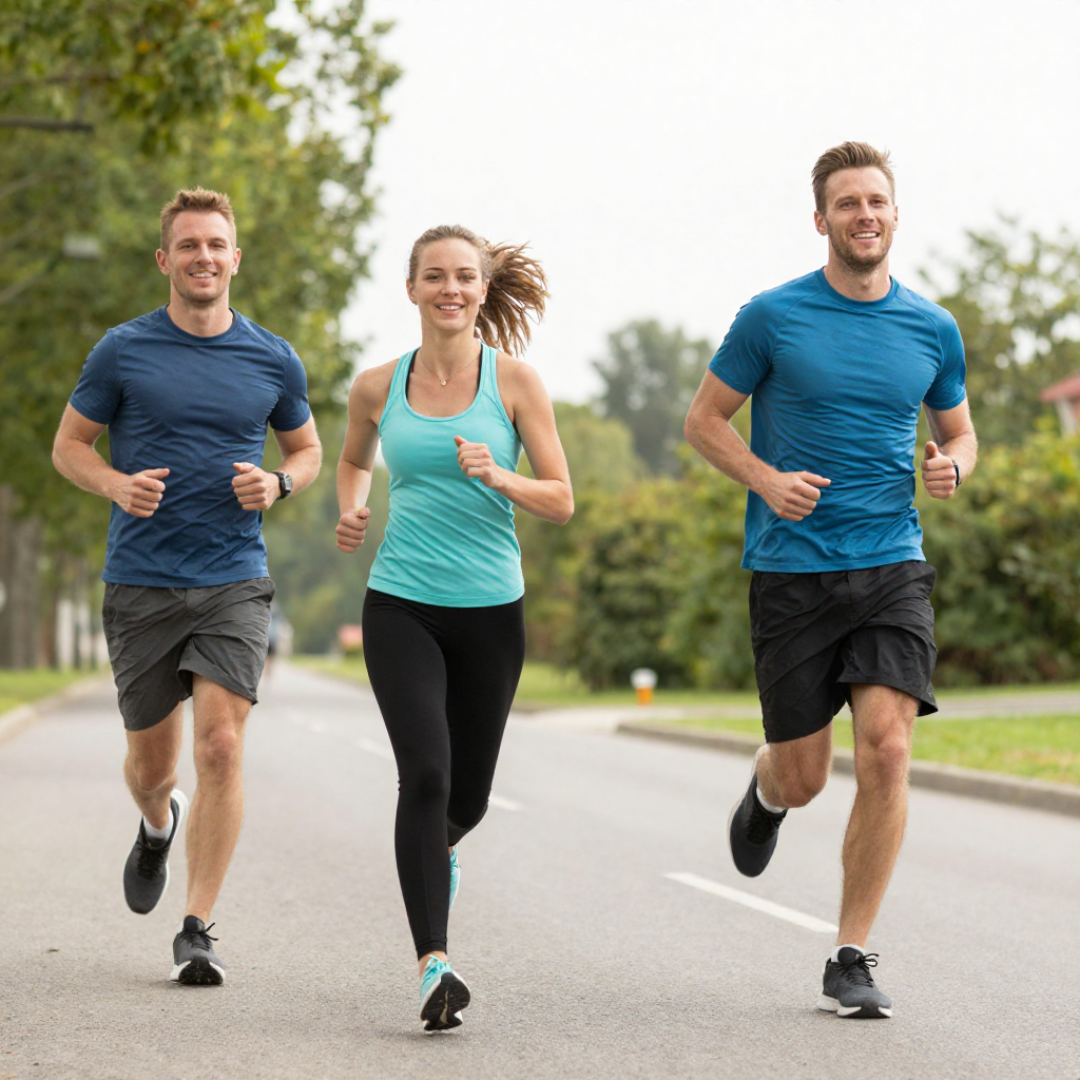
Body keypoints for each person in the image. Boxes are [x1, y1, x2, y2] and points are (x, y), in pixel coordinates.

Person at [684, 142, 977, 1019]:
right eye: (847, 203)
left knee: (888, 745)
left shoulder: (932, 328)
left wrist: (953, 466)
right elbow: (703, 423)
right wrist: (766, 480)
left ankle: (850, 954)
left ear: (895, 213)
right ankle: (769, 789)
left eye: (876, 201)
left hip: (891, 562)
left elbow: (961, 433)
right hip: (792, 571)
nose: (864, 215)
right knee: (809, 775)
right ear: (822, 220)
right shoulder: (772, 318)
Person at [52, 187, 321, 985]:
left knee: (222, 745)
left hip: (233, 577)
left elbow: (306, 451)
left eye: (218, 245)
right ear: (165, 260)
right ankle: (156, 823)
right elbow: (70, 446)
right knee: (154, 767)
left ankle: (198, 926)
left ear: (236, 259)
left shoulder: (273, 357)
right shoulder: (122, 351)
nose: (205, 257)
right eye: (190, 245)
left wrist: (278, 485)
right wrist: (114, 484)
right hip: (140, 581)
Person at [335, 225, 573, 1031]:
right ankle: (433, 962)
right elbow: (351, 458)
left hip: (491, 613)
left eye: (465, 277)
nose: (451, 288)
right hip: (400, 603)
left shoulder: (515, 384)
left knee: (464, 799)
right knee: (426, 777)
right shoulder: (376, 386)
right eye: (434, 276)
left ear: (481, 288)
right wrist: (351, 507)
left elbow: (561, 498)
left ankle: (439, 859)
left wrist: (499, 473)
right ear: (411, 289)